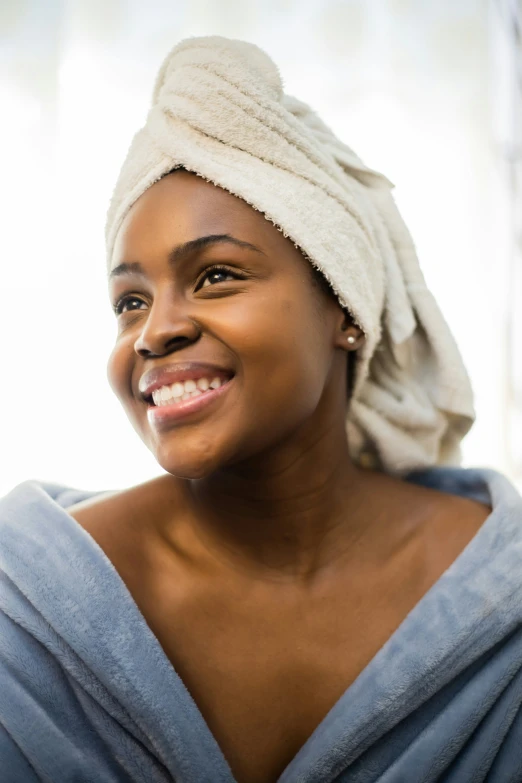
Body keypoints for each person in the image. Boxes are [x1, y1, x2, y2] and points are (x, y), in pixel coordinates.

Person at [1, 35, 522, 783]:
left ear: (345, 308)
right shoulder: (24, 610)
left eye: (214, 275)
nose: (155, 331)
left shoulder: (500, 595)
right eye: (130, 301)